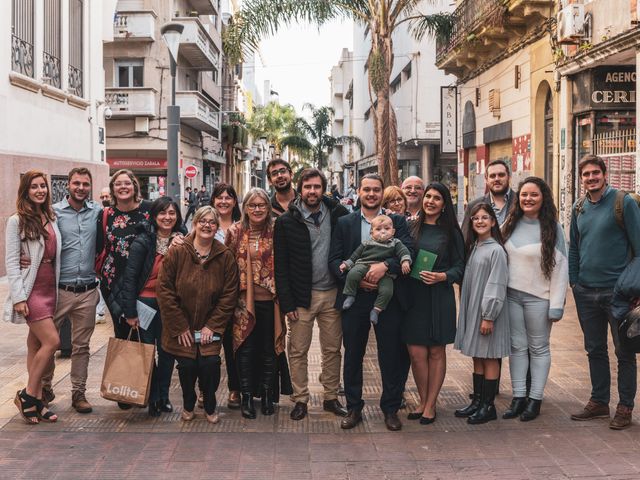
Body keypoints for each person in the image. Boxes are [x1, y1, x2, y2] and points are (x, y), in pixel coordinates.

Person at [329, 174, 414, 431]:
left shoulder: (397, 221)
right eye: (367, 189)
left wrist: (384, 267)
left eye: (376, 190)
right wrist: (355, 280)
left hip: (387, 299)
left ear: (381, 193)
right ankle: (354, 408)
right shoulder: (345, 222)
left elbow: (409, 251)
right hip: (355, 300)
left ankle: (390, 408)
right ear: (359, 192)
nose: (371, 194)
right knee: (353, 354)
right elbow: (334, 260)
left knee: (391, 355)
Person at [569, 155, 640, 430]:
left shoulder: (625, 203)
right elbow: (574, 247)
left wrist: (633, 288)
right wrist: (574, 281)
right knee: (594, 349)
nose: (591, 178)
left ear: (604, 174)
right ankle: (599, 401)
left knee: (624, 351)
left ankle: (624, 407)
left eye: (595, 173)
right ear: (581, 178)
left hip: (617, 294)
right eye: (586, 174)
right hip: (586, 292)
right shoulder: (578, 207)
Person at [274, 168, 349, 421]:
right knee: (297, 350)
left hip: (332, 294)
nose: (312, 191)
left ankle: (330, 397)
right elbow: (280, 265)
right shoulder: (286, 221)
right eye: (307, 187)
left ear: (323, 188)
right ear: (300, 189)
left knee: (332, 349)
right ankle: (301, 399)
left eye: (317, 187)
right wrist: (287, 302)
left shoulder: (338, 214)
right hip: (301, 298)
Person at [157, 206, 239, 423]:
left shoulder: (225, 256)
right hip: (182, 324)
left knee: (210, 364)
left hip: (209, 325)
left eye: (212, 222)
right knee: (187, 366)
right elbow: (164, 290)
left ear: (216, 226)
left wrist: (212, 326)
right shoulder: (177, 251)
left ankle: (210, 403)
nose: (207, 225)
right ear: (194, 224)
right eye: (202, 220)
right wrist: (179, 326)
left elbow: (229, 295)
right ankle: (188, 401)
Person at [501, 177, 568, 422]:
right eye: (524, 195)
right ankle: (518, 397)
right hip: (511, 296)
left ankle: (535, 399)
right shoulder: (510, 223)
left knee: (539, 349)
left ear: (543, 198)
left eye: (534, 195)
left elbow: (561, 267)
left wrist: (557, 305)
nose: (528, 199)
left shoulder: (553, 228)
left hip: (539, 299)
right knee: (517, 348)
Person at [37, 168, 102, 414]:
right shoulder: (53, 213)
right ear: (69, 185)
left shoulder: (97, 211)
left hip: (87, 290)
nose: (81, 188)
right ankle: (45, 389)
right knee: (50, 343)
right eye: (77, 183)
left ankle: (79, 394)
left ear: (90, 186)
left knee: (81, 346)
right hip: (59, 289)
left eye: (85, 184)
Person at [226, 188, 291, 418]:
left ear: (268, 207)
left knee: (269, 349)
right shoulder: (235, 231)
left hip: (272, 303)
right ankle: (245, 396)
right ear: (244, 208)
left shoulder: (277, 229)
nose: (257, 209)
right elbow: (226, 265)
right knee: (245, 349)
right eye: (252, 205)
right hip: (243, 303)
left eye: (261, 205)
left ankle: (265, 395)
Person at [403, 182, 464, 425]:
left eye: (436, 198)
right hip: (414, 296)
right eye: (427, 196)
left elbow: (461, 266)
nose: (430, 201)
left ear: (444, 203)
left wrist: (443, 276)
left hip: (439, 295)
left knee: (436, 350)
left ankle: (431, 404)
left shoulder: (451, 232)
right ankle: (422, 398)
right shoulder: (410, 227)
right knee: (416, 352)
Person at [5, 171, 62, 424]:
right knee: (52, 342)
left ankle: (38, 402)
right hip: (31, 290)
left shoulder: (50, 216)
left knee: (35, 345)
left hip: (50, 287)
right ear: (25, 190)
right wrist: (19, 297)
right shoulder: (16, 221)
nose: (40, 190)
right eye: (34, 187)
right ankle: (28, 396)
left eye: (43, 186)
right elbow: (12, 261)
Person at [119, 197, 184, 417]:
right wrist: (130, 312)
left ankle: (163, 396)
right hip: (145, 304)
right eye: (162, 213)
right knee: (148, 352)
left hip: (171, 305)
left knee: (167, 352)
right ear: (154, 217)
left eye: (172, 213)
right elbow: (130, 278)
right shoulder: (143, 241)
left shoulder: (183, 241)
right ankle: (153, 396)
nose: (167, 217)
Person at [96, 169, 152, 408]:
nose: (123, 187)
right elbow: (99, 247)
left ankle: (150, 389)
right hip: (113, 284)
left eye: (127, 183)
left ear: (134, 186)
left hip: (145, 283)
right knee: (123, 334)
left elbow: (171, 228)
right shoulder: (106, 214)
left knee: (147, 336)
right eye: (118, 184)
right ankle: (125, 388)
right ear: (112, 188)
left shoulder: (149, 210)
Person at [454, 203, 509, 424]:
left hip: (487, 313)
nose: (479, 221)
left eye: (485, 218)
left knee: (489, 356)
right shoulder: (475, 246)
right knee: (478, 355)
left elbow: (496, 284)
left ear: (493, 222)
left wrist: (489, 315)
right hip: (474, 309)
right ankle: (477, 400)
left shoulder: (496, 250)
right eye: (475, 218)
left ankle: (488, 406)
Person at [340, 214, 412, 325]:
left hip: (385, 273)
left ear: (393, 232)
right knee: (353, 274)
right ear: (371, 233)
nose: (383, 232)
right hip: (364, 264)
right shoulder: (367, 243)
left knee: (388, 290)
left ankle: (377, 310)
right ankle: (350, 295)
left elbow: (404, 252)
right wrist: (347, 264)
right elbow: (355, 255)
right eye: (378, 229)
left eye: (387, 229)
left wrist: (405, 261)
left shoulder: (396, 243)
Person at [462, 159, 516, 240]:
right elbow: (465, 238)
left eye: (501, 175)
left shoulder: (521, 202)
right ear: (486, 180)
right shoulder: (473, 206)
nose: (497, 179)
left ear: (509, 177)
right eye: (492, 176)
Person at [96, 187, 111, 324]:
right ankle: (100, 312)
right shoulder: (100, 214)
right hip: (103, 261)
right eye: (103, 197)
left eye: (108, 196)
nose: (105, 199)